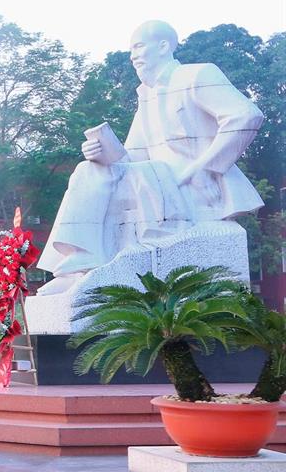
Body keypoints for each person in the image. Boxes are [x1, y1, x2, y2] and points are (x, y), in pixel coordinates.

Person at [38, 20, 266, 294]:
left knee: (92, 173)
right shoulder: (146, 96)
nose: (133, 56)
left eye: (138, 46)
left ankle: (82, 263)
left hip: (191, 186)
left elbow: (246, 116)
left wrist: (206, 168)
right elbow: (131, 158)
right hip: (155, 183)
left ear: (163, 46)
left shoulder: (196, 75)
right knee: (88, 169)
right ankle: (78, 263)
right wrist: (101, 154)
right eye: (131, 50)